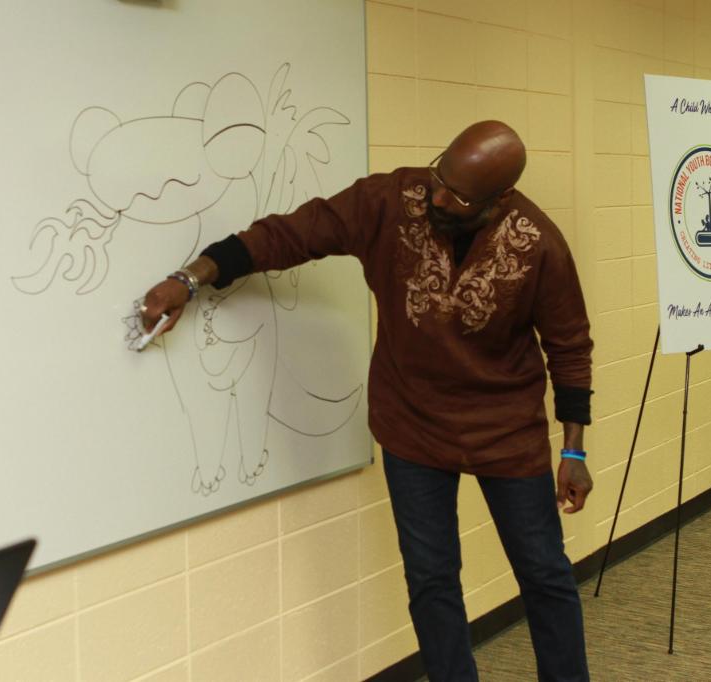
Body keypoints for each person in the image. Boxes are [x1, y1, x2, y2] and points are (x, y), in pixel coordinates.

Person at [141, 120, 593, 682]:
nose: (438, 198)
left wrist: (573, 451)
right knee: (431, 580)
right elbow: (291, 234)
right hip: (412, 428)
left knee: (544, 575)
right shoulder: (390, 201)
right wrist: (190, 279)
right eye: (440, 177)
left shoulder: (539, 243)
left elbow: (569, 346)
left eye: (458, 196)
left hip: (504, 431)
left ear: (500, 200)